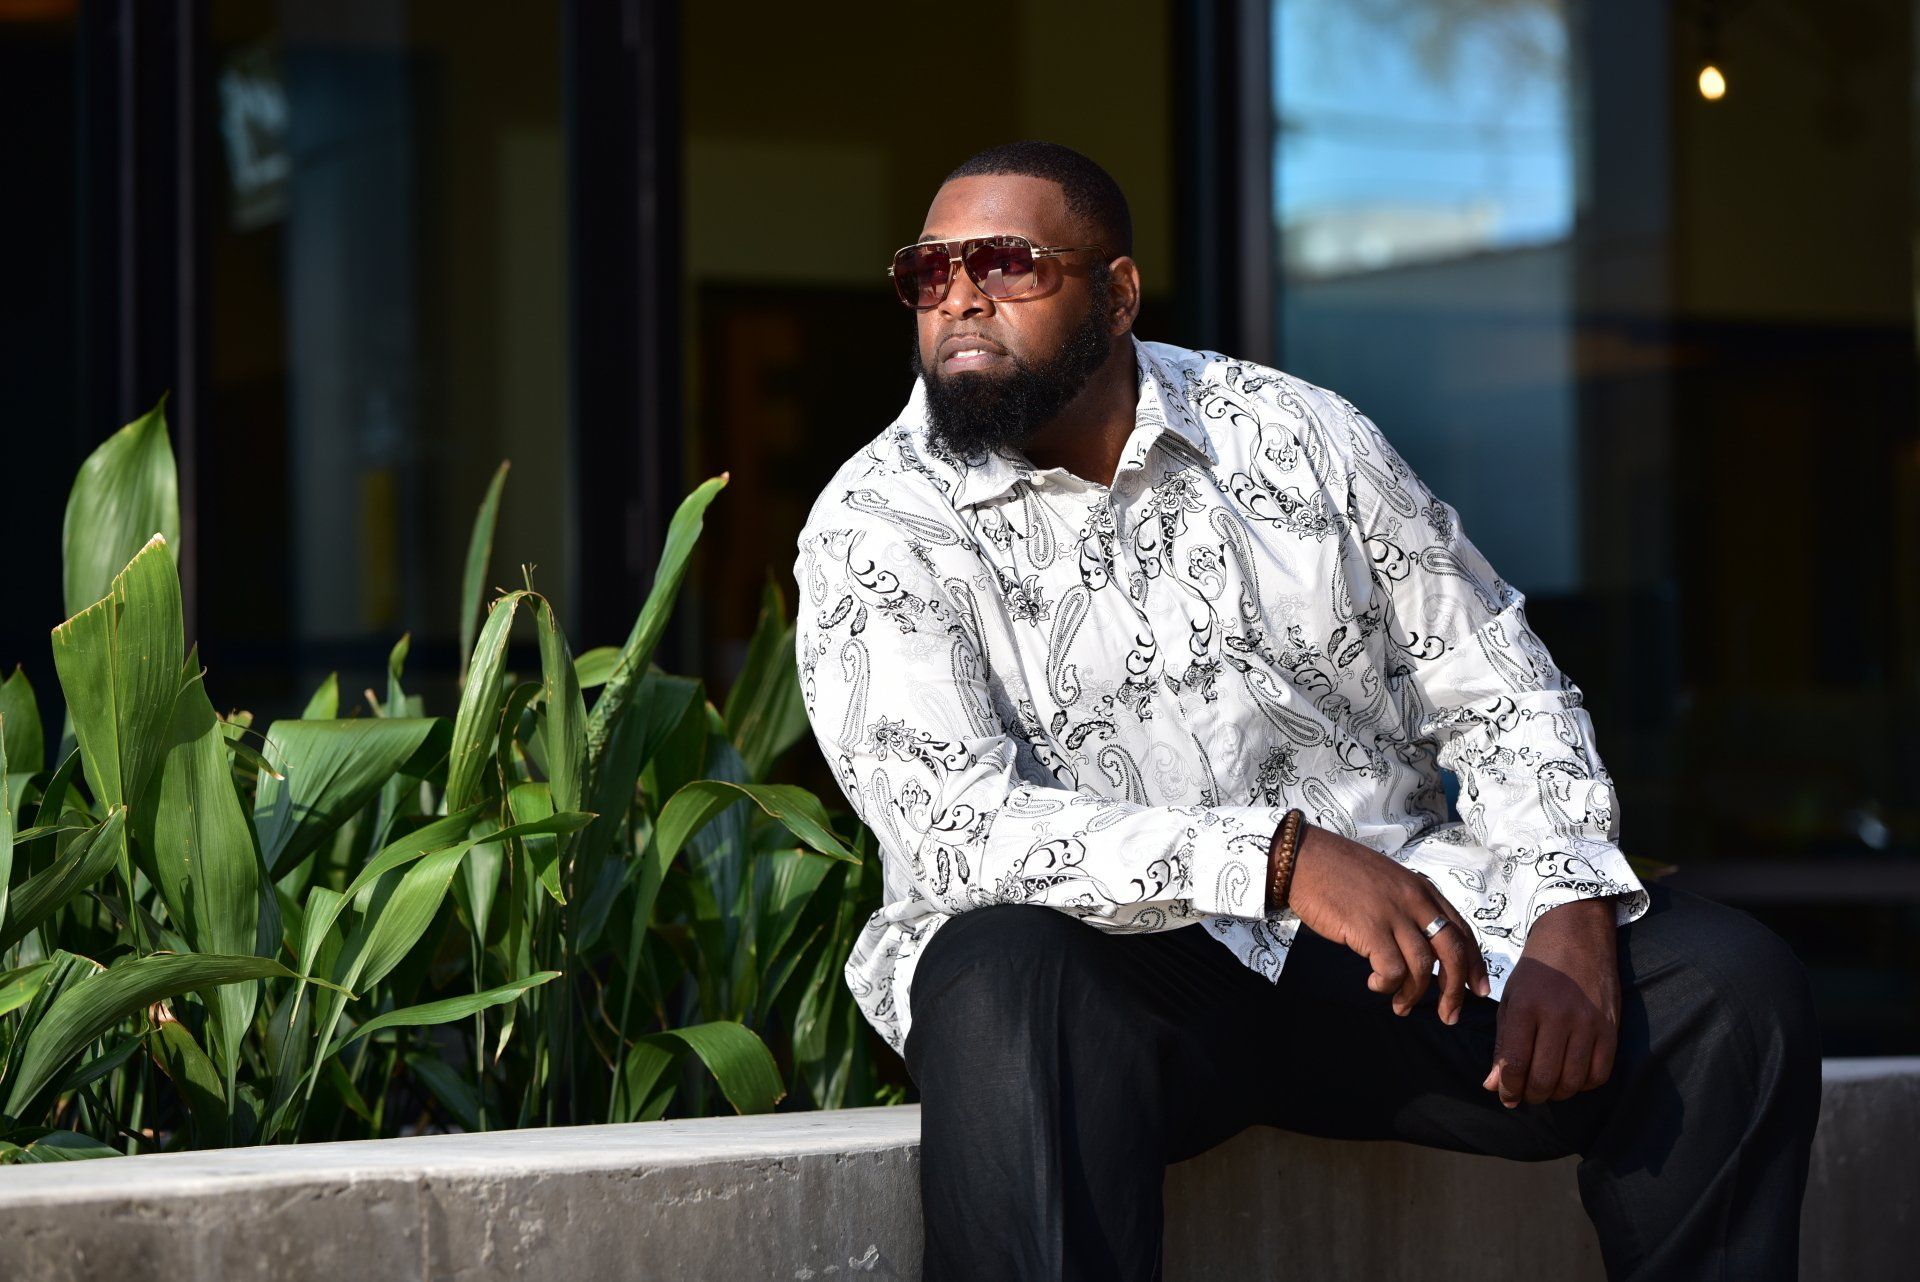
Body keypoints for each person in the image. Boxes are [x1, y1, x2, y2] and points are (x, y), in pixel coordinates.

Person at [790, 139, 1821, 1281]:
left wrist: (1567, 896)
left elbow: (1494, 676)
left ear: (1118, 294)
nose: (961, 299)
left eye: (1005, 264)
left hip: (1393, 963)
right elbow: (956, 826)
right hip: (1124, 995)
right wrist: (1278, 859)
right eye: (928, 274)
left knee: (1723, 985)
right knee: (993, 970)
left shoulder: (1293, 435)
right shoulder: (876, 523)